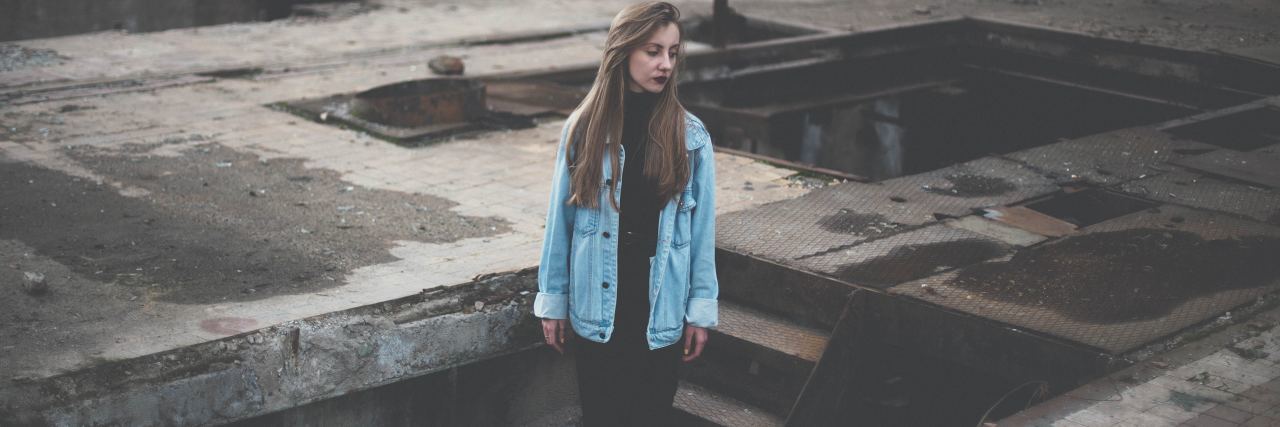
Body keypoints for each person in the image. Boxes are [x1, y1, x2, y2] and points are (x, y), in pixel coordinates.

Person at [532, 2, 719, 425]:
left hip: (659, 311)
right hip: (597, 309)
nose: (665, 64)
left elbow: (701, 234)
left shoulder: (690, 138)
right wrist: (553, 302)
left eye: (672, 52)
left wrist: (700, 311)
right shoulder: (584, 129)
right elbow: (559, 223)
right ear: (623, 50)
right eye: (653, 51)